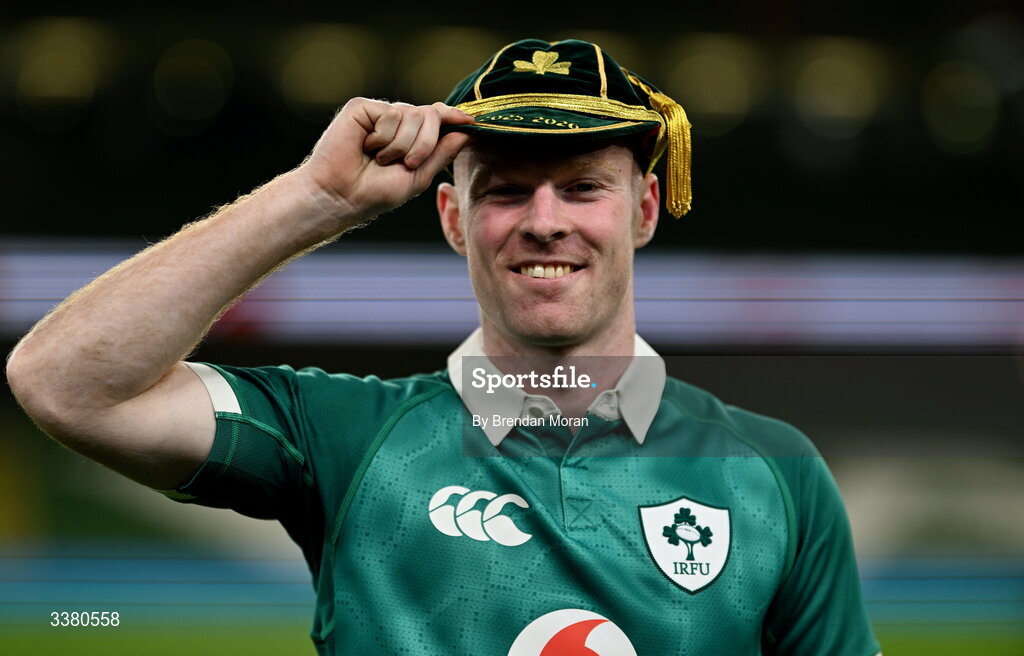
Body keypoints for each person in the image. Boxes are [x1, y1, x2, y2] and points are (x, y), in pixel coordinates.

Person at [5, 38, 881, 655]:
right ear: (454, 216)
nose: (545, 223)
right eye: (504, 191)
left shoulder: (776, 472)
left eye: (582, 187)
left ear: (645, 210)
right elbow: (66, 384)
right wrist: (317, 198)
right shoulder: (344, 436)